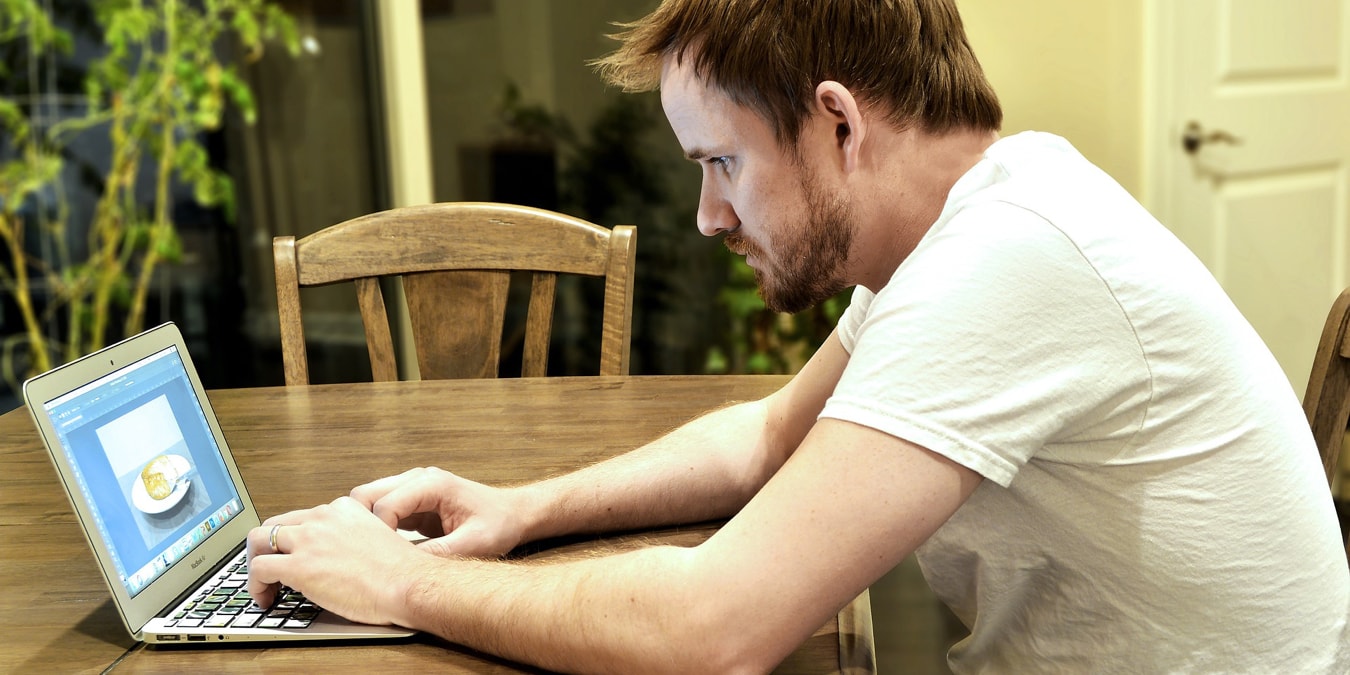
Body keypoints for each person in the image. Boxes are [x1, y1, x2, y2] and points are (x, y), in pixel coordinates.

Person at [247, 0, 1350, 672]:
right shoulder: (978, 220)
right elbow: (771, 436)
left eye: (722, 162)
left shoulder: (1010, 259)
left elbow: (715, 631)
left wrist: (398, 586)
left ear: (838, 122)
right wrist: (521, 508)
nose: (708, 215)